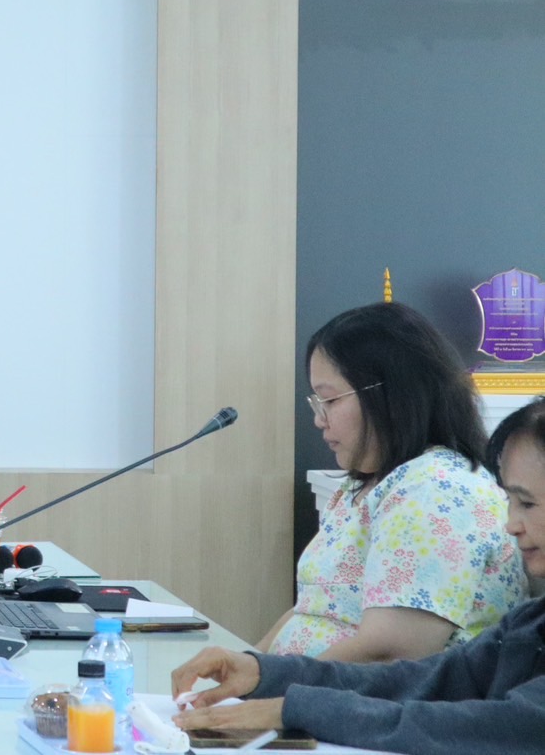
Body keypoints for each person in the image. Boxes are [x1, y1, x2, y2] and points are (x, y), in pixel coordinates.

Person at [171, 397, 545, 754]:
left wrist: (299, 709)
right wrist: (263, 672)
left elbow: (494, 726)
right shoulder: (530, 623)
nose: (511, 524)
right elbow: (422, 680)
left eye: (527, 503)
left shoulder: (434, 486)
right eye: (511, 502)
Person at [254, 303, 527, 661]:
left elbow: (391, 651)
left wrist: (270, 685)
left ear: (393, 395)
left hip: (356, 696)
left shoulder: (436, 489)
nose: (319, 420)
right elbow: (312, 606)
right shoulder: (371, 484)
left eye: (330, 400)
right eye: (317, 402)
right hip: (306, 690)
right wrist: (248, 665)